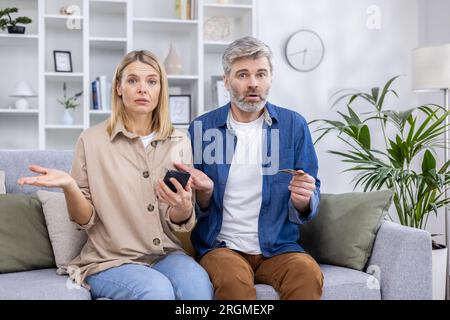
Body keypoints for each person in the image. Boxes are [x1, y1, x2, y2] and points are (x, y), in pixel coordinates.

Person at [17, 50, 213, 300]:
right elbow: (83, 220)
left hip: (165, 255)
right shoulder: (91, 140)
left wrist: (184, 207)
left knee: (197, 286)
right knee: (156, 290)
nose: (142, 89)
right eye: (132, 80)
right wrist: (69, 186)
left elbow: (176, 217)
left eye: (152, 81)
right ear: (118, 87)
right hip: (110, 259)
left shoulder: (179, 141)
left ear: (161, 89)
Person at [176, 36, 324, 300]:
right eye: (242, 74)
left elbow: (312, 192)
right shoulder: (201, 129)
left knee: (308, 274)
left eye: (261, 74)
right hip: (222, 248)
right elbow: (190, 207)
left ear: (270, 79)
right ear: (226, 81)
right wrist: (205, 194)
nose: (253, 83)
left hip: (279, 247)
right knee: (233, 284)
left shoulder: (294, 125)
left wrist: (304, 201)